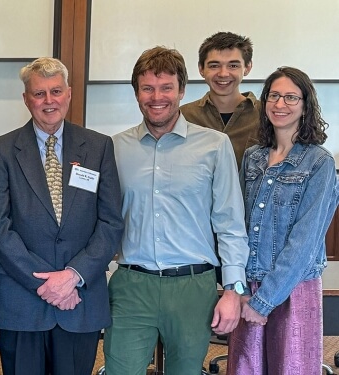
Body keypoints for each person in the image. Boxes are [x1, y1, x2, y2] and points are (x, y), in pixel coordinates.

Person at [105, 46, 250, 374]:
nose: (157, 97)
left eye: (166, 87)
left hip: (192, 287)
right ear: (136, 93)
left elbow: (230, 224)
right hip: (131, 285)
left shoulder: (214, 145)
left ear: (182, 90)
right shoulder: (114, 148)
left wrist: (234, 289)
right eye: (147, 88)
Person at [0, 57, 124, 375]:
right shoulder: (0, 151)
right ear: (26, 99)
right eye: (39, 93)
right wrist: (46, 284)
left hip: (80, 298)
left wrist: (72, 276)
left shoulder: (99, 147)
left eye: (56, 91)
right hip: (22, 300)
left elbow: (111, 221)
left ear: (69, 94)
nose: (49, 101)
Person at [226, 67, 338, 374]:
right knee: (244, 368)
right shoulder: (253, 157)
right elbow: (237, 225)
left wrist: (265, 301)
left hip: (293, 288)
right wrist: (238, 288)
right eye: (274, 96)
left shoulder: (319, 162)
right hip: (249, 283)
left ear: (305, 105)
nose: (280, 104)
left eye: (291, 97)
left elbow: (305, 242)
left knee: (289, 368)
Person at [181, 31, 260, 166]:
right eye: (214, 66)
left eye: (233, 65)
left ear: (247, 67)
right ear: (201, 69)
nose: (223, 73)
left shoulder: (266, 115)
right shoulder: (183, 116)